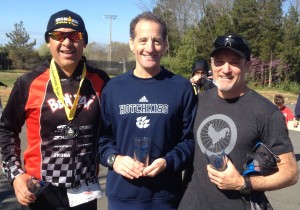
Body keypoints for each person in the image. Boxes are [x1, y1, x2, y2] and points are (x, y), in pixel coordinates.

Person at [0, 9, 109, 210]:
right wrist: (15, 175)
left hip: (85, 191)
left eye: (75, 35)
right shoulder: (28, 82)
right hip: (41, 191)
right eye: (58, 35)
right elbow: (6, 130)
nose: (67, 42)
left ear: (84, 42)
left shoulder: (101, 81)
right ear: (48, 41)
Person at [178, 34, 298, 210]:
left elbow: (290, 173)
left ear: (247, 65)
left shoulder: (266, 112)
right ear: (212, 64)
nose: (226, 69)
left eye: (234, 62)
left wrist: (243, 183)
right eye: (219, 61)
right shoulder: (198, 101)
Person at [98, 11, 197, 210]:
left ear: (166, 45)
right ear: (131, 44)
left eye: (157, 41)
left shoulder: (181, 88)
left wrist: (168, 162)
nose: (150, 48)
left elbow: (190, 141)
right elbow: (101, 139)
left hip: (166, 196)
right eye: (143, 40)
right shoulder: (113, 88)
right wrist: (114, 159)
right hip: (122, 195)